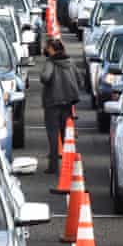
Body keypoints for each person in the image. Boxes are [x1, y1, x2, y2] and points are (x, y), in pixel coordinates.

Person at [40, 39, 80, 174]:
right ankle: (69, 165)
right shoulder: (71, 62)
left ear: (52, 49)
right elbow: (79, 80)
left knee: (52, 135)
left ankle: (53, 166)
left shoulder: (51, 62)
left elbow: (45, 77)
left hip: (52, 103)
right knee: (66, 136)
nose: (45, 50)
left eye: (47, 48)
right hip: (68, 103)